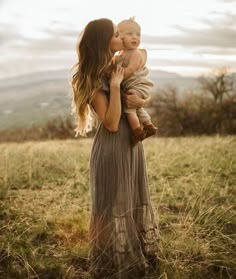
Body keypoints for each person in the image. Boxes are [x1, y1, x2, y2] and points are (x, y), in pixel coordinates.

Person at [71, 18, 159, 279]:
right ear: (105, 41)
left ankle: (139, 254)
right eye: (116, 34)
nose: (122, 38)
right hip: (112, 146)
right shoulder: (97, 77)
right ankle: (109, 265)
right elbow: (110, 122)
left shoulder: (118, 63)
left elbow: (139, 94)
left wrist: (142, 98)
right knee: (111, 206)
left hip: (131, 143)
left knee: (132, 197)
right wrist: (117, 85)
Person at [115, 18, 158, 146]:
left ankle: (137, 132)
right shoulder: (121, 53)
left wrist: (115, 75)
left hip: (138, 86)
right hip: (135, 87)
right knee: (137, 108)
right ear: (119, 36)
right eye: (129, 34)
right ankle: (149, 126)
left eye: (138, 34)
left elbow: (130, 71)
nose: (135, 37)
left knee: (130, 109)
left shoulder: (136, 54)